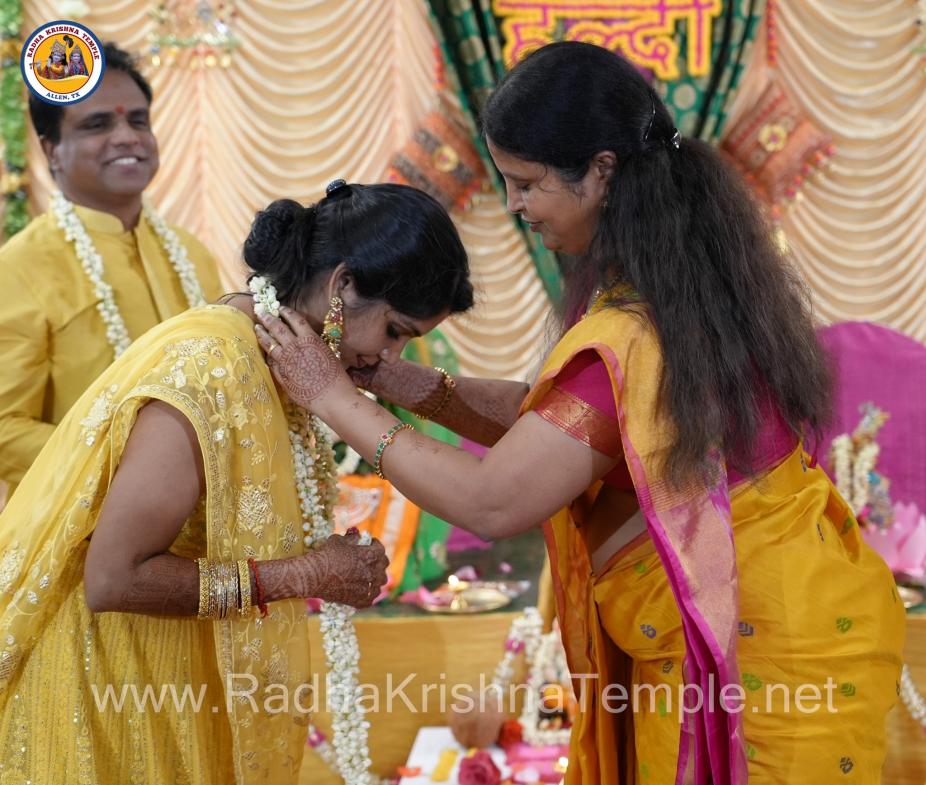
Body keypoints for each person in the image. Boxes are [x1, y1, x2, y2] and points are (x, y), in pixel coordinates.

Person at [254, 42, 905, 785]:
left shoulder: (637, 326)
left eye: (527, 183)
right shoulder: (676, 287)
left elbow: (493, 499)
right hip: (763, 632)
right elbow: (565, 426)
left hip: (765, 671)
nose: (515, 205)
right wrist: (400, 382)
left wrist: (333, 397)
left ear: (600, 172)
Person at [0, 181, 473, 783]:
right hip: (109, 702)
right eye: (395, 331)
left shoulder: (288, 366)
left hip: (181, 684)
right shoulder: (210, 368)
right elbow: (113, 578)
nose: (390, 357)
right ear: (343, 286)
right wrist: (305, 575)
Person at [0, 42, 222, 499]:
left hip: (205, 514)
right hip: (84, 521)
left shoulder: (191, 254)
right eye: (97, 124)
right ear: (52, 150)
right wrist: (129, 465)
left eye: (138, 121)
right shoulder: (19, 269)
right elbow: (6, 426)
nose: (127, 137)